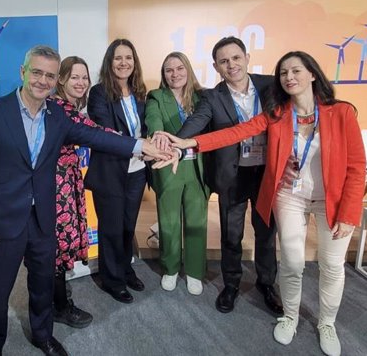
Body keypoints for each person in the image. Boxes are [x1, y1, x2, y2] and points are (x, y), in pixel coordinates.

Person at [156, 51, 366, 356]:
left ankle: (327, 323)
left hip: (329, 201)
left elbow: (357, 167)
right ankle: (290, 317)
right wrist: (190, 143)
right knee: (293, 263)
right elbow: (236, 132)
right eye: (284, 73)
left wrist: (349, 213)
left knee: (331, 265)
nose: (289, 77)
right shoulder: (279, 113)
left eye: (296, 71)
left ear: (312, 74)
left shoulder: (342, 113)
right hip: (289, 195)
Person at [0, 45, 170, 356]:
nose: (42, 81)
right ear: (23, 72)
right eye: (37, 73)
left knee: (43, 281)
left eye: (49, 75)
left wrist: (140, 145)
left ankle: (43, 335)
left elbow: (98, 136)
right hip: (4, 217)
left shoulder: (58, 114)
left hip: (46, 217)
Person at [171, 36, 283, 315]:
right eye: (224, 61)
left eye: (235, 58)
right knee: (231, 235)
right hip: (232, 175)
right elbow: (196, 122)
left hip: (266, 173)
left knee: (266, 233)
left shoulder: (272, 85)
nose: (231, 65)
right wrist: (175, 143)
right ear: (216, 67)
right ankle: (231, 285)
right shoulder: (212, 96)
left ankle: (266, 283)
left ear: (246, 57)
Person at [85, 38, 148, 304]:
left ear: (135, 63)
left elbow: (146, 128)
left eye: (129, 58)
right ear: (110, 63)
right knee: (110, 227)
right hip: (110, 171)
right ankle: (111, 279)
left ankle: (124, 268)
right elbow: (107, 131)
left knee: (126, 225)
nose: (124, 63)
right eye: (118, 58)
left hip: (138, 170)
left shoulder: (141, 93)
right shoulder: (99, 93)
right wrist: (141, 145)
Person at [145, 52, 210, 294]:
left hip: (197, 167)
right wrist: (159, 134)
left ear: (188, 69)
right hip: (168, 165)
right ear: (164, 75)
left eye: (179, 68)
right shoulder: (156, 97)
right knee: (169, 220)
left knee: (196, 220)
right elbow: (153, 120)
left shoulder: (203, 96)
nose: (175, 74)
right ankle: (170, 268)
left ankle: (194, 271)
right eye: (169, 70)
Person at [48, 56, 103, 328]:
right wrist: (140, 145)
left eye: (84, 77)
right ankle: (59, 307)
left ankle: (55, 300)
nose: (81, 83)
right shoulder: (59, 109)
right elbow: (97, 133)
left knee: (58, 247)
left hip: (67, 185)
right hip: (57, 189)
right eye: (74, 77)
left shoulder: (67, 108)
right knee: (57, 248)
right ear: (61, 79)